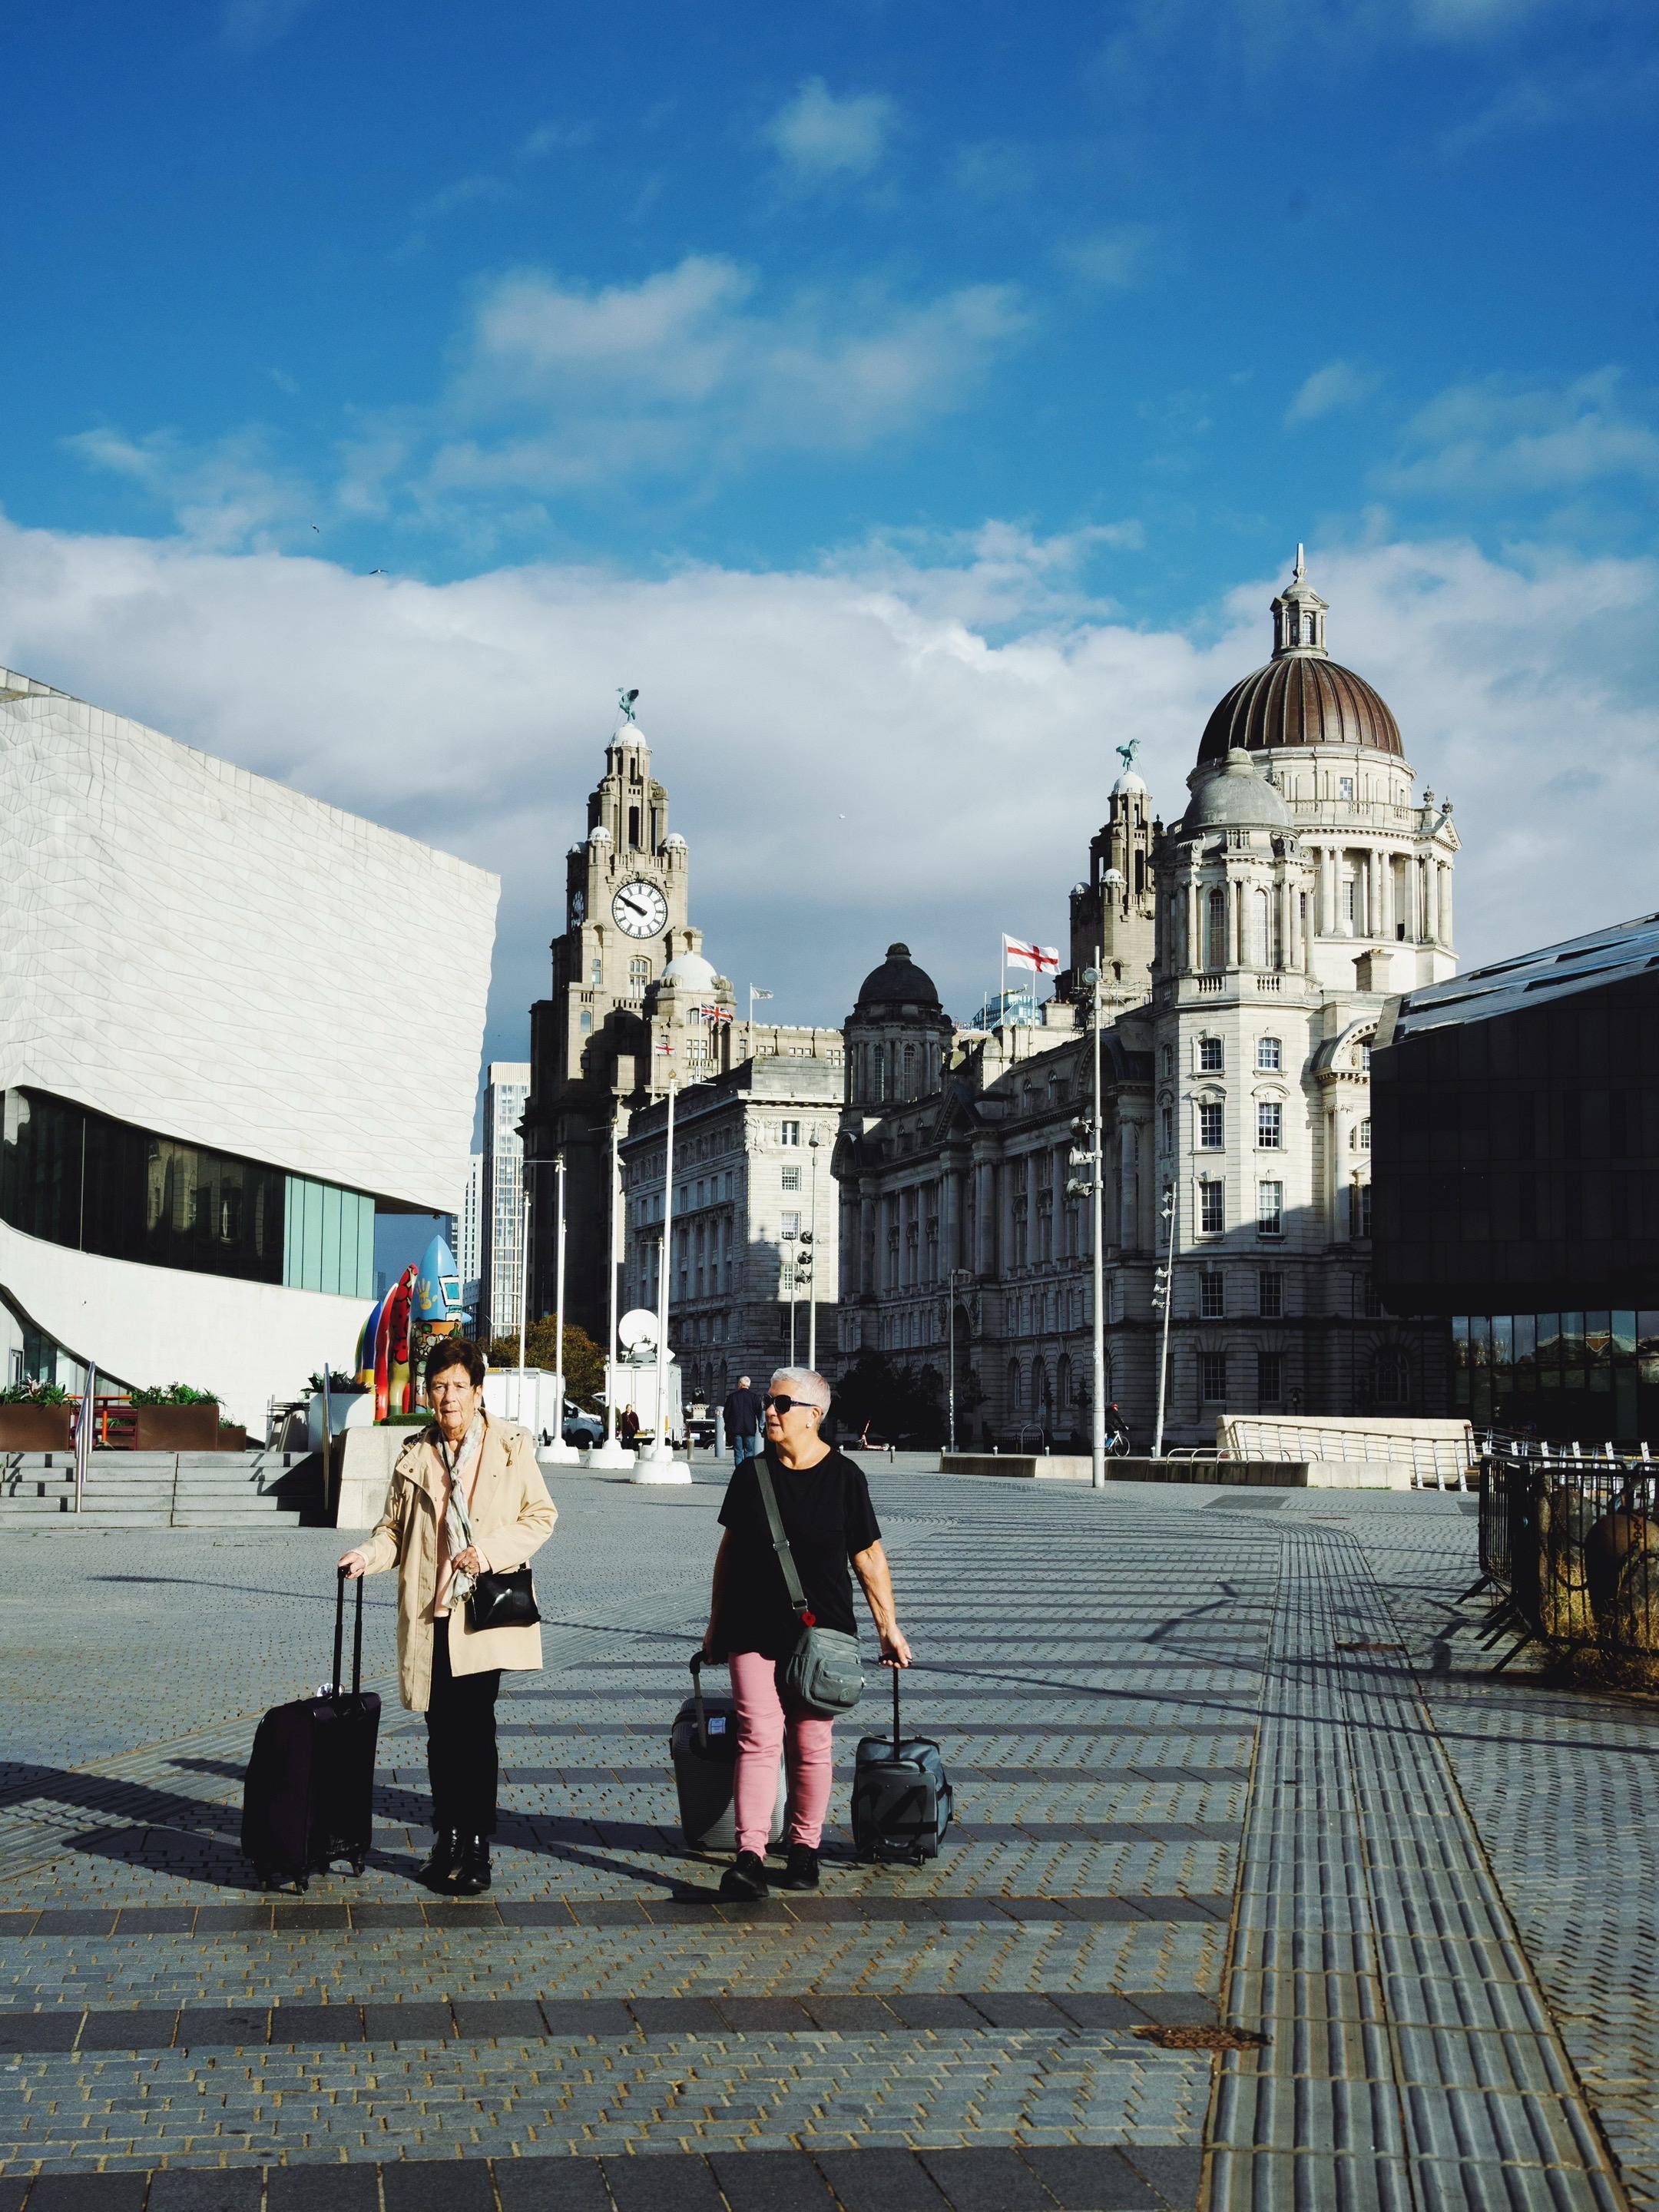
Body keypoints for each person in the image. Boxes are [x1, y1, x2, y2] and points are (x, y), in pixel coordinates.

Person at [339, 1337, 556, 1895]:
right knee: (440, 1733)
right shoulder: (415, 1453)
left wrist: (488, 1552)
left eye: (459, 1386)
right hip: (428, 1615)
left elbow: (540, 1516)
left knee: (474, 1731)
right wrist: (366, 1555)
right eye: (439, 1387)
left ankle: (476, 1846)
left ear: (478, 1391)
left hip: (480, 1614)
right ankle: (446, 1837)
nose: (449, 1397)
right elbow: (393, 1531)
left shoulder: (510, 1446)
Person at [703, 1365, 911, 1900]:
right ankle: (750, 1855)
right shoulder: (751, 1475)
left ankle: (803, 1850)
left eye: (781, 1405)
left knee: (812, 1744)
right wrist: (714, 1625)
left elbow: (869, 1558)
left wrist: (889, 1628)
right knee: (757, 1738)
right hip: (751, 1627)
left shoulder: (846, 1479)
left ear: (815, 1415)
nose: (770, 1412)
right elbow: (727, 1556)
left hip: (824, 1635)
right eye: (770, 1404)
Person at [721, 1375, 767, 1466]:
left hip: (736, 1429)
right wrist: (761, 1428)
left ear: (740, 1384)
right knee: (749, 1453)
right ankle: (748, 1473)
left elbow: (726, 1414)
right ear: (748, 1385)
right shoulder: (754, 1397)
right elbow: (760, 1414)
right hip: (750, 1429)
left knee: (738, 1453)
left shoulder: (732, 1397)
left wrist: (728, 1427)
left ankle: (739, 1474)